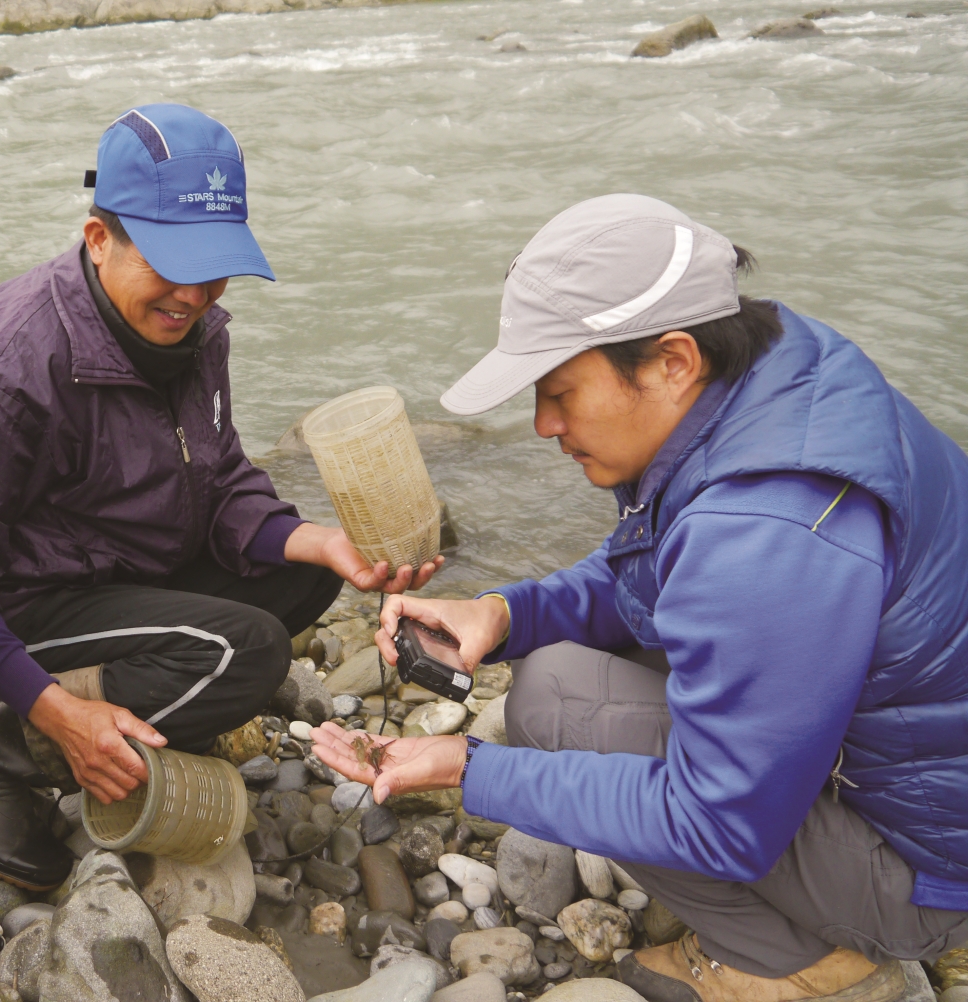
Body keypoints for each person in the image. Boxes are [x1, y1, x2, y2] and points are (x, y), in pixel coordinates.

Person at [313, 194, 968, 1002]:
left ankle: (784, 957)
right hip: (925, 796)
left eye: (560, 392)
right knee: (551, 666)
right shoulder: (776, 374)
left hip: (928, 874)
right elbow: (662, 568)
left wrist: (467, 768)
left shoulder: (767, 532)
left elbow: (712, 822)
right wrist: (504, 614)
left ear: (673, 360)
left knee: (552, 703)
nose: (543, 424)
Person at [0, 102, 441, 891]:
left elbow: (217, 481)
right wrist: (52, 708)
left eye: (213, 263)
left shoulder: (193, 329)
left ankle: (138, 698)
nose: (195, 292)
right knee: (247, 652)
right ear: (99, 238)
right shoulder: (1, 372)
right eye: (171, 262)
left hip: (109, 575)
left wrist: (321, 542)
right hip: (8, 619)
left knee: (308, 565)